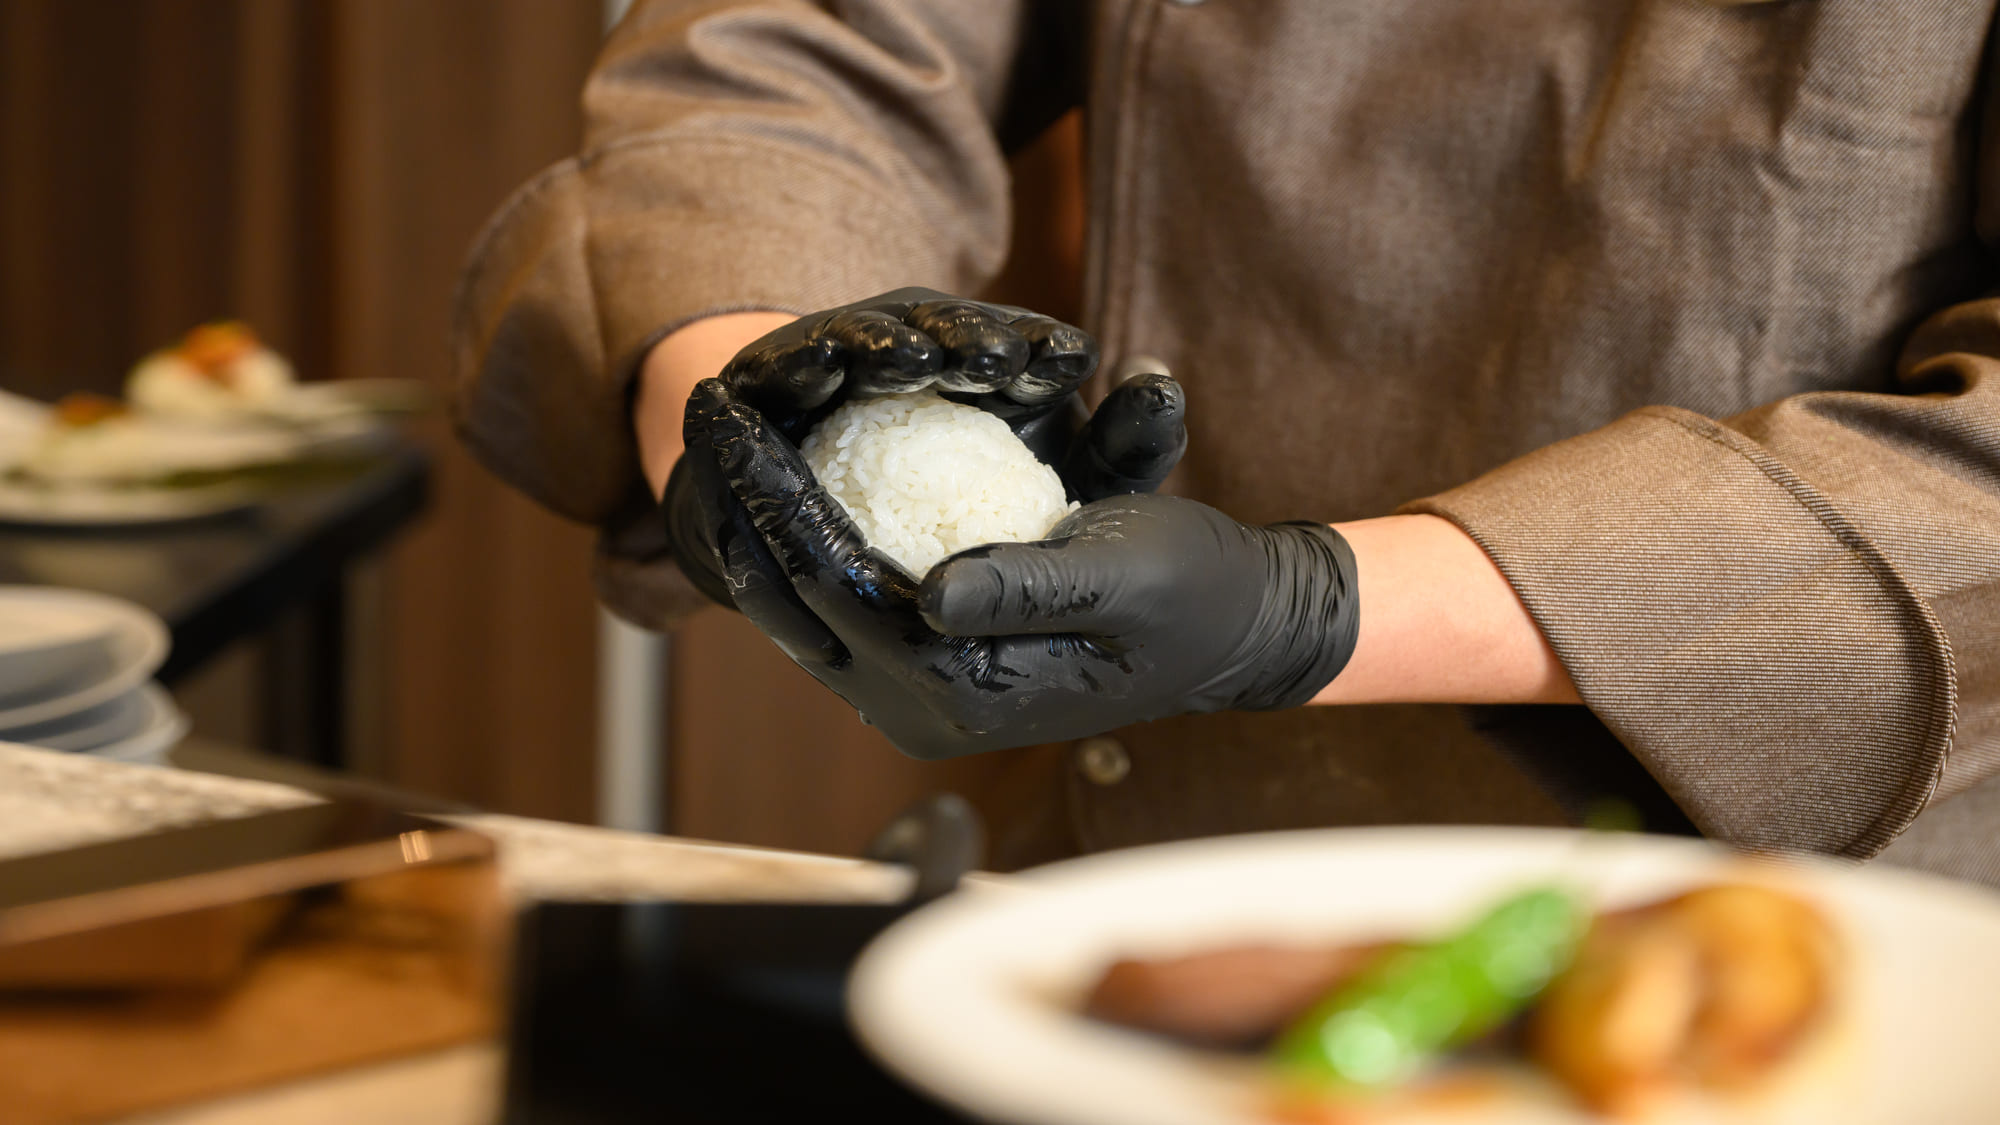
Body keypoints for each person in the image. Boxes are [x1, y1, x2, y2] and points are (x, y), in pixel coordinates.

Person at [452, 0, 2000, 885]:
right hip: (1118, 872)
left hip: (1788, 918)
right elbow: (796, 44)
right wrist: (749, 396)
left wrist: (1309, 607)